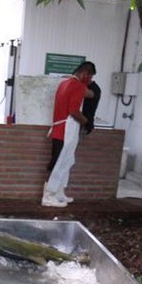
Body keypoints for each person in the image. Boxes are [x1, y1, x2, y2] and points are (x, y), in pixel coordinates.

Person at [42, 61, 96, 207]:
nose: (90, 81)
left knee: (66, 162)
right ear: (85, 74)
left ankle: (59, 193)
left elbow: (88, 94)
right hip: (66, 130)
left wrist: (90, 93)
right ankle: (48, 196)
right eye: (90, 77)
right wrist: (87, 122)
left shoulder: (64, 83)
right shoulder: (77, 86)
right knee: (58, 163)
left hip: (59, 128)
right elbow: (74, 111)